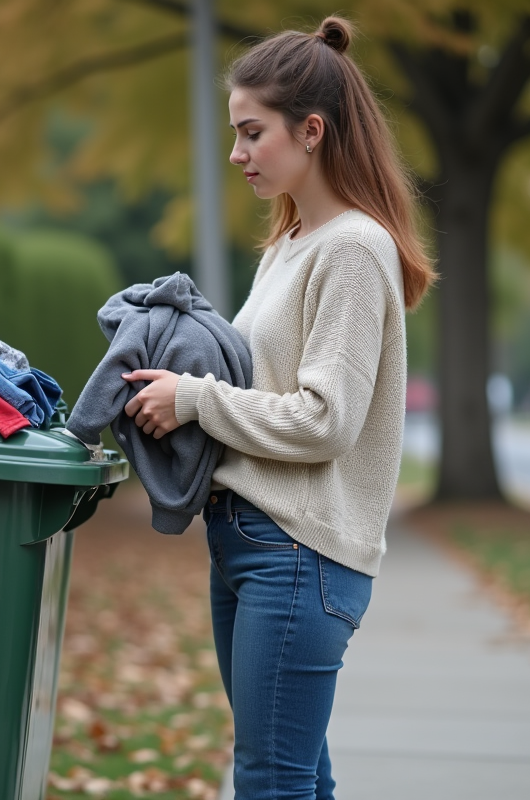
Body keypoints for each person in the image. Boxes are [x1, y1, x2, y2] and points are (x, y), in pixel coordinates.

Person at [121, 16, 436, 800]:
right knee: (294, 780)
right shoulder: (290, 244)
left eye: (251, 132)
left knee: (271, 783)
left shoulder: (354, 250)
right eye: (237, 133)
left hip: (298, 554)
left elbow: (327, 420)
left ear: (312, 131)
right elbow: (259, 381)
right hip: (248, 541)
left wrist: (195, 400)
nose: (237, 153)